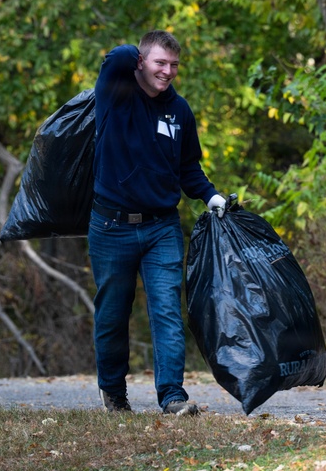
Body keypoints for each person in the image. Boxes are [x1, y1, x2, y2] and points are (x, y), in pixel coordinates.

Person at [89, 29, 227, 416]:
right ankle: (114, 394)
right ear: (140, 63)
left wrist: (211, 196)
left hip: (161, 227)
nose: (167, 72)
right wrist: (136, 53)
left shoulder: (178, 110)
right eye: (159, 63)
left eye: (173, 65)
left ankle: (172, 396)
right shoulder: (115, 92)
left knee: (167, 307)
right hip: (111, 226)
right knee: (113, 312)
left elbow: (188, 168)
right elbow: (115, 56)